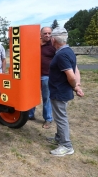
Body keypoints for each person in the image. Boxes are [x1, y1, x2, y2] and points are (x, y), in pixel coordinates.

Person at [46, 27, 84, 156]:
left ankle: (66, 146)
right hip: (61, 91)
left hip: (60, 92)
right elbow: (76, 69)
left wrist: (74, 85)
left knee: (61, 118)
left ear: (53, 39)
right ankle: (59, 138)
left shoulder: (62, 54)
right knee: (59, 116)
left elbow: (71, 76)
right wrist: (77, 87)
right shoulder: (68, 51)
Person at [28, 27, 55, 129]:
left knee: (46, 98)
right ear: (40, 34)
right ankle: (30, 115)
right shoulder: (35, 44)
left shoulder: (53, 45)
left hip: (47, 76)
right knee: (32, 96)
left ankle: (48, 119)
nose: (47, 35)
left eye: (49, 33)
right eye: (45, 33)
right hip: (33, 75)